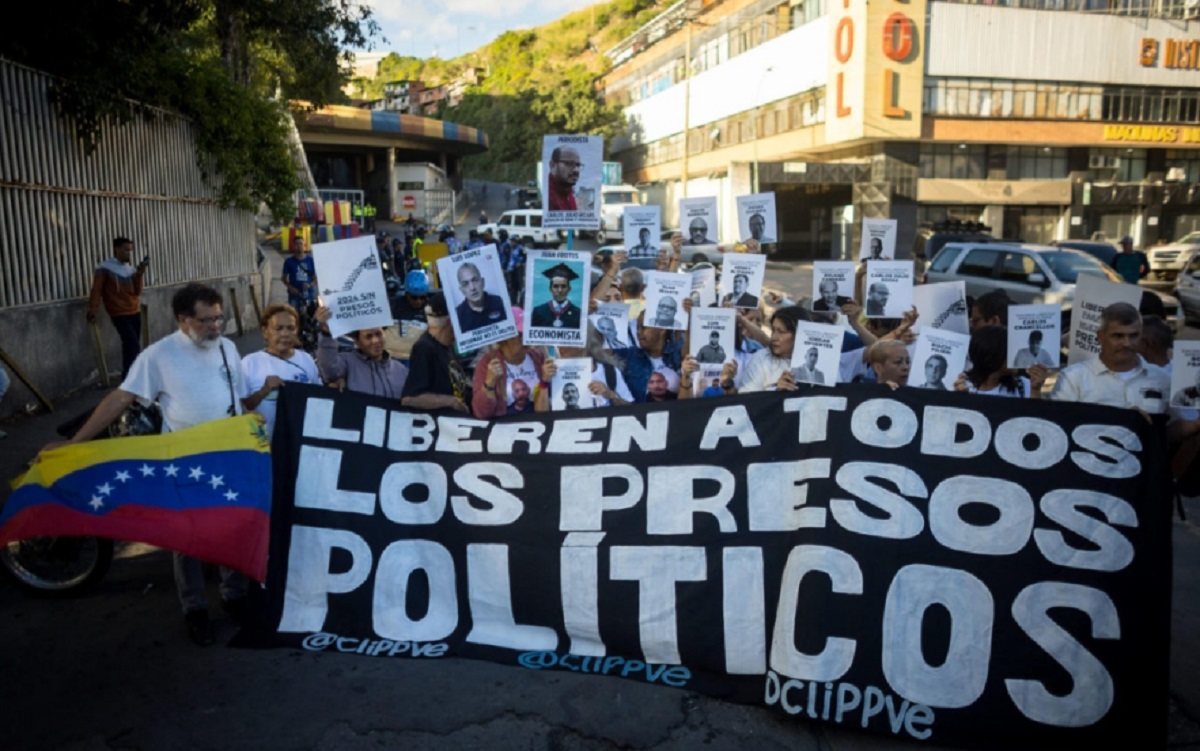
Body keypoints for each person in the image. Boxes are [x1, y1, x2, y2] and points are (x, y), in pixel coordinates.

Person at [57, 283, 251, 646]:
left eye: (219, 318)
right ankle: (194, 608)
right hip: (184, 462)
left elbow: (238, 400)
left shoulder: (227, 348)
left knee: (230, 527)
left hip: (228, 458)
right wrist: (75, 442)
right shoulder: (157, 356)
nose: (216, 327)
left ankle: (234, 596)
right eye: (206, 320)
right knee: (187, 538)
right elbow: (120, 397)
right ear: (182, 320)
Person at [1049, 302, 1169, 412]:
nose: (1127, 343)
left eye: (1133, 336)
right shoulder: (1073, 378)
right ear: (1101, 336)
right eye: (1118, 336)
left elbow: (1173, 428)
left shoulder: (1162, 379)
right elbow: (1058, 424)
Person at [242, 304, 321, 436]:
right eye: (278, 328)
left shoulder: (306, 359)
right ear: (264, 331)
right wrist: (263, 391)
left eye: (291, 328)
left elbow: (319, 399)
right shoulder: (249, 363)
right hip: (264, 445)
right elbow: (240, 406)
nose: (285, 334)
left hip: (298, 442)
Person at [314, 307, 408, 400]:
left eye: (378, 334)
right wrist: (327, 332)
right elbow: (329, 370)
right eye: (368, 337)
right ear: (357, 341)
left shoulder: (401, 371)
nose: (375, 341)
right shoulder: (347, 362)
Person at [87, 236, 149, 376]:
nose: (129, 253)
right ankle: (129, 377)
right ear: (116, 249)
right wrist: (93, 309)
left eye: (130, 250)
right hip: (119, 313)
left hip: (134, 310)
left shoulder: (131, 269)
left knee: (130, 345)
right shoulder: (104, 268)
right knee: (132, 344)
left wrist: (139, 274)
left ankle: (129, 375)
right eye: (126, 249)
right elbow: (96, 290)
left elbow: (137, 292)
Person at [401, 292, 471, 412]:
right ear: (450, 322)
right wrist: (451, 402)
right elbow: (409, 398)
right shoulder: (424, 348)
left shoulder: (447, 345)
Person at [471, 311, 550, 417]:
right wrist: (490, 382)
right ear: (504, 338)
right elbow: (481, 413)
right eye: (521, 334)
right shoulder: (487, 362)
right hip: (505, 430)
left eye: (528, 332)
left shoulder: (537, 357)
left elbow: (545, 412)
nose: (526, 338)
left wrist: (545, 381)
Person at [955, 325, 1039, 398]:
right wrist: (962, 399)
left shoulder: (1023, 385)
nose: (1016, 356)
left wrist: (1035, 390)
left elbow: (1035, 415)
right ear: (993, 355)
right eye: (1010, 351)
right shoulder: (962, 386)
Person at [454, 262, 507, 333]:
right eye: (465, 284)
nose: (472, 287)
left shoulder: (501, 302)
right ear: (462, 290)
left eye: (475, 280)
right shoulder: (457, 316)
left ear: (483, 282)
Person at [530, 262, 582, 329]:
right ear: (550, 289)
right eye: (556, 286)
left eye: (563, 286)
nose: (560, 290)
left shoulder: (578, 313)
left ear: (569, 289)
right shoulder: (538, 312)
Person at [281, 240, 317, 316]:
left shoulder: (311, 260)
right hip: (295, 293)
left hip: (309, 293)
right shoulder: (289, 261)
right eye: (296, 244)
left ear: (305, 247)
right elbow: (283, 278)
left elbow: (316, 278)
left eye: (301, 244)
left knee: (310, 315)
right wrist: (291, 288)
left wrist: (310, 285)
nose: (299, 246)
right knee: (294, 315)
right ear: (293, 246)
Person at [547, 146, 581, 211]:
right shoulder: (547, 195)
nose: (576, 170)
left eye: (578, 165)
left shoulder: (568, 193)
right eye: (569, 164)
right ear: (552, 165)